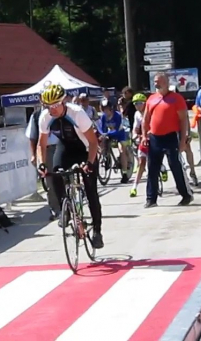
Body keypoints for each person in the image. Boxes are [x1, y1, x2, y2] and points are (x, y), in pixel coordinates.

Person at [35, 84, 104, 248]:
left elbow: (93, 142)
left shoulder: (77, 113)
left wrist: (89, 163)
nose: (51, 109)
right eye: (47, 106)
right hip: (65, 147)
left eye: (55, 105)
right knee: (56, 174)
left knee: (90, 189)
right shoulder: (45, 117)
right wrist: (42, 164)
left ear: (63, 102)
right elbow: (41, 144)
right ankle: (65, 208)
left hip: (86, 149)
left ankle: (97, 231)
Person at [143, 73, 194, 208]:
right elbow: (145, 119)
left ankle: (186, 195)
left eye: (158, 81)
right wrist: (143, 136)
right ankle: (151, 199)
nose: (156, 84)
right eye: (154, 82)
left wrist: (183, 139)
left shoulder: (176, 99)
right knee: (152, 168)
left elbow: (183, 120)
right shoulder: (151, 99)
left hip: (171, 137)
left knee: (175, 166)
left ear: (166, 82)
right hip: (154, 138)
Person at [26, 104, 62, 220]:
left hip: (60, 147)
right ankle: (56, 210)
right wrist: (33, 155)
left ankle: (68, 205)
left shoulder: (59, 111)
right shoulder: (36, 116)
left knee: (63, 178)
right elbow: (32, 136)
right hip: (44, 149)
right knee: (49, 181)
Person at [97, 99, 131, 184]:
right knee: (103, 142)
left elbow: (117, 129)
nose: (105, 111)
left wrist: (106, 133)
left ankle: (125, 174)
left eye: (107, 109)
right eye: (103, 109)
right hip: (111, 134)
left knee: (121, 150)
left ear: (111, 108)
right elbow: (103, 129)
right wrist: (102, 134)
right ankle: (105, 157)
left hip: (120, 134)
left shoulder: (118, 116)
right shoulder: (103, 117)